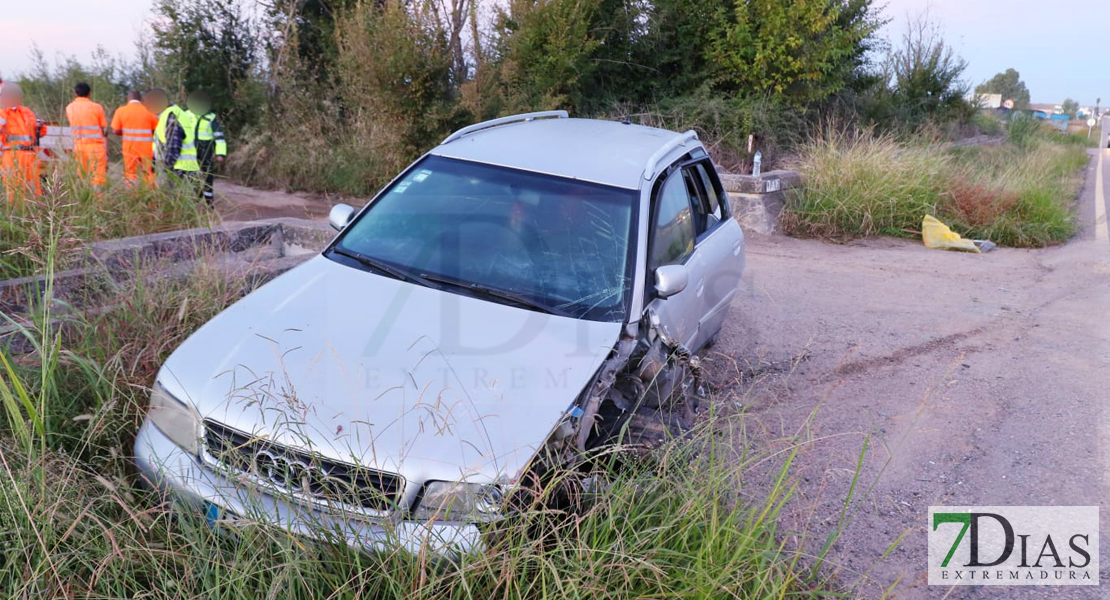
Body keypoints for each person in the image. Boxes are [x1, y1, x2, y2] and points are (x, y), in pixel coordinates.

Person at [0, 82, 42, 201]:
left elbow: (39, 132)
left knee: (33, 186)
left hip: (30, 155)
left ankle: (34, 212)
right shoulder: (3, 113)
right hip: (11, 155)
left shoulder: (26, 112)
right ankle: (15, 215)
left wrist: (40, 126)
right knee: (14, 187)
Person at [110, 90, 159, 185]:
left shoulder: (121, 111)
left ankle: (133, 195)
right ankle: (150, 197)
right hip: (146, 149)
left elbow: (115, 130)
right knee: (148, 173)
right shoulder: (149, 111)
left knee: (131, 174)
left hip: (129, 149)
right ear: (141, 99)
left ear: (128, 99)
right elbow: (156, 130)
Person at [185, 90, 226, 205]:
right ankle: (197, 193)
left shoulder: (211, 117)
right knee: (190, 173)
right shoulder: (186, 114)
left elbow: (219, 136)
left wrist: (220, 153)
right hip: (190, 148)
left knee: (208, 173)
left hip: (206, 148)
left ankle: (209, 199)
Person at [65, 82, 108, 186]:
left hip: (79, 147)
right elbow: (104, 130)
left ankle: (83, 198)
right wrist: (106, 149)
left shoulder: (69, 108)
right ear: (89, 94)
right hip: (96, 147)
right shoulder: (97, 107)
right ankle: (98, 199)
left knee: (82, 176)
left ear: (75, 93)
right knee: (98, 177)